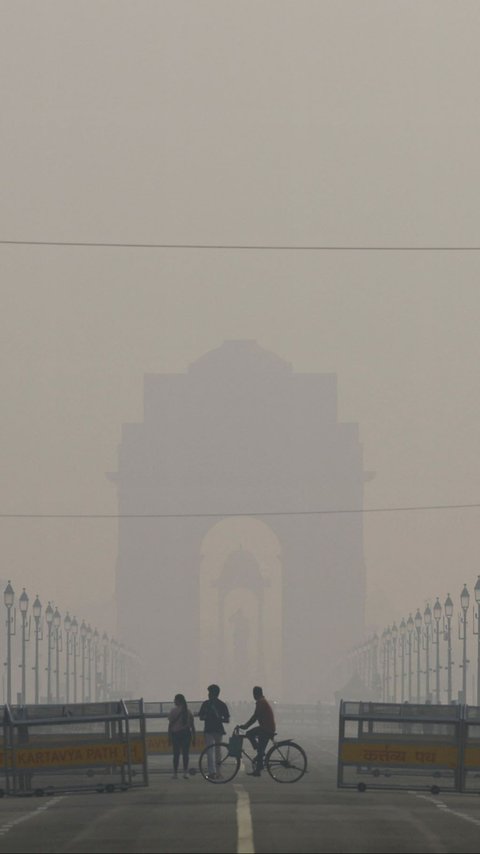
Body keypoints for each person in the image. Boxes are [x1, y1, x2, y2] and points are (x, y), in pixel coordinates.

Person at [239, 686, 276, 776]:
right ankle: (259, 761)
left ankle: (260, 754)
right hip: (266, 727)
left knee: (249, 734)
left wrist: (246, 726)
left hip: (266, 728)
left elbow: (255, 717)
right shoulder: (262, 701)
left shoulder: (261, 702)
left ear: (256, 694)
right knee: (260, 748)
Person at [198, 684, 230, 780]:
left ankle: (213, 772)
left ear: (213, 693)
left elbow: (201, 717)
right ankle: (217, 772)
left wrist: (213, 717)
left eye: (209, 692)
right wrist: (219, 719)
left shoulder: (207, 704)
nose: (208, 694)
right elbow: (227, 719)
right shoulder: (221, 704)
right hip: (217, 730)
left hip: (210, 729)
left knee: (210, 751)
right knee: (217, 751)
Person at [168, 693, 196, 779]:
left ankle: (175, 773)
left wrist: (169, 737)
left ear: (178, 701)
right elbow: (192, 726)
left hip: (175, 734)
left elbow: (170, 725)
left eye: (175, 699)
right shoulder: (188, 711)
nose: (174, 701)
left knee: (176, 754)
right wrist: (194, 738)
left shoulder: (173, 711)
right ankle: (185, 772)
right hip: (186, 734)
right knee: (185, 754)